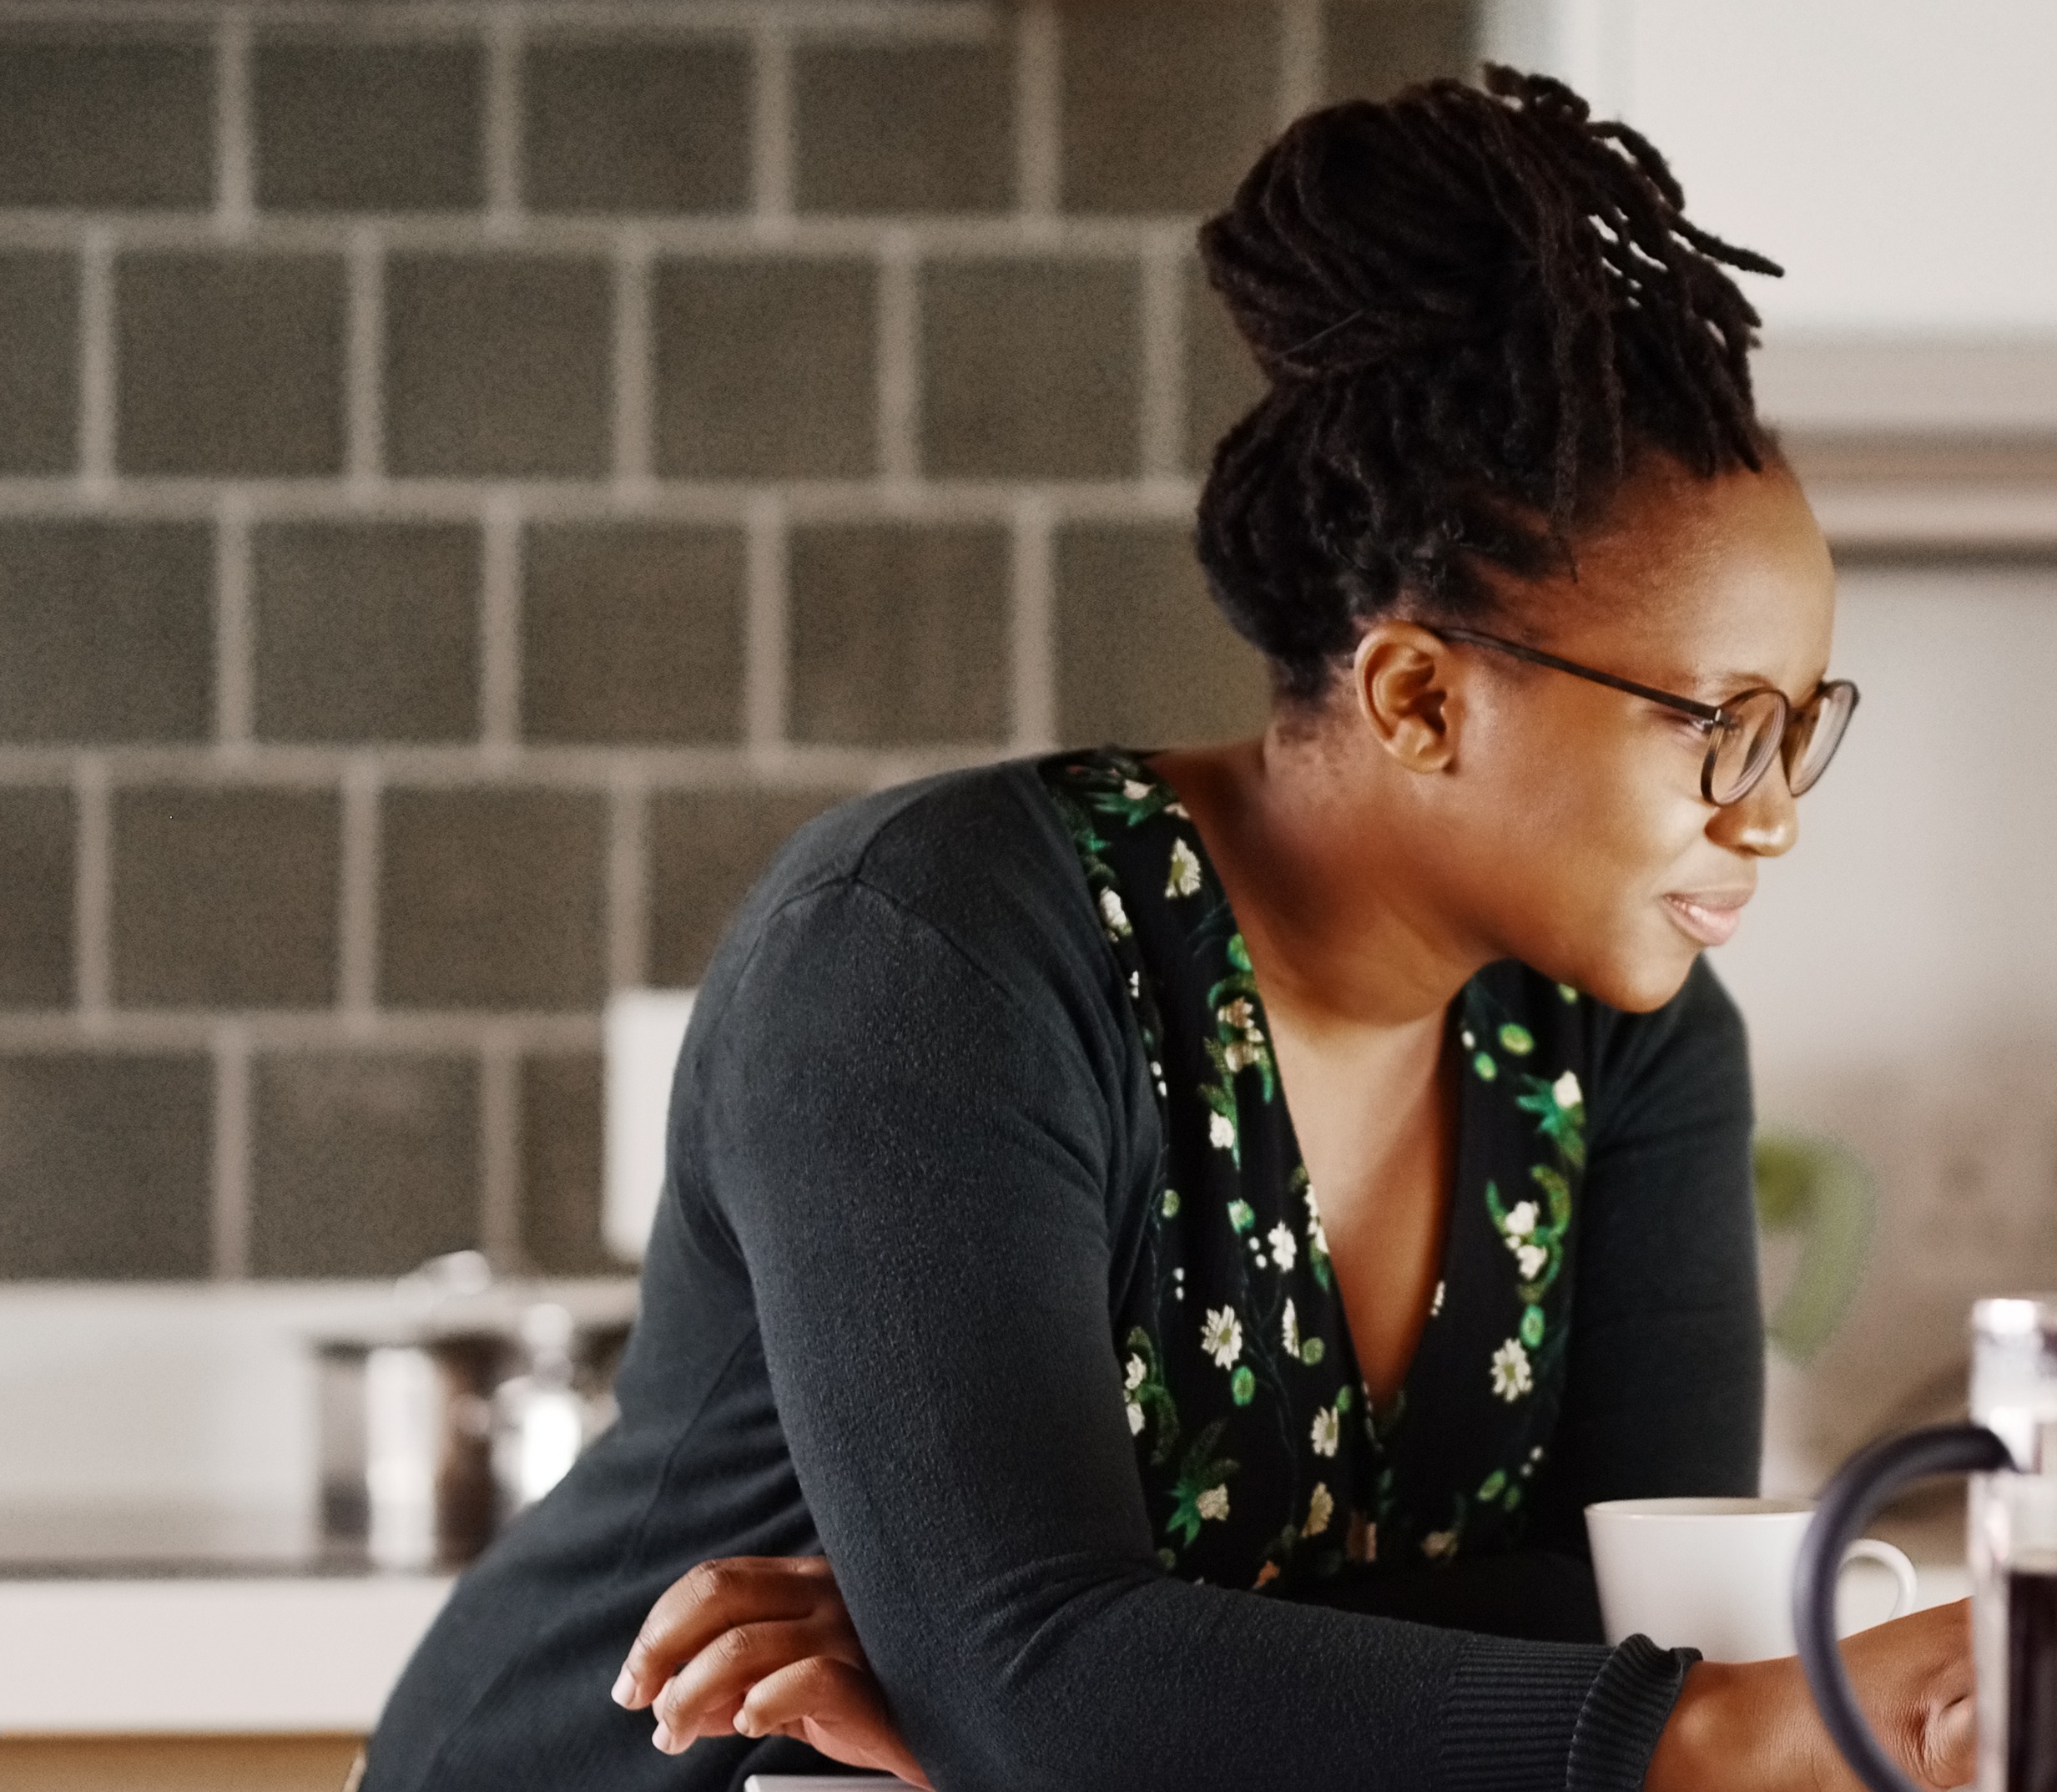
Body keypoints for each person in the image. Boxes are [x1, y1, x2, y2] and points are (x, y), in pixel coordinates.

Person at [356, 67, 1971, 1792]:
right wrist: (1045, 1673)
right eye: (1715, 725)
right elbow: (1054, 1679)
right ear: (1419, 699)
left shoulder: (1623, 1039)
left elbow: (1641, 1616)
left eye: (1800, 728)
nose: (1773, 810)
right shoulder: (933, 956)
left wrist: (1071, 1669)